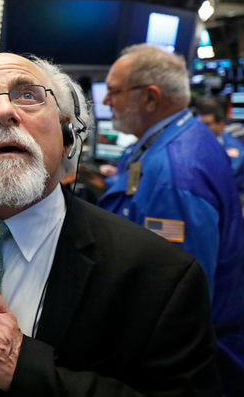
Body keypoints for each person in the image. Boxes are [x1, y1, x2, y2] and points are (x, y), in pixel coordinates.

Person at [0, 52, 220, 395]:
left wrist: (23, 366)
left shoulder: (159, 275)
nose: (3, 112)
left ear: (68, 134)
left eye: (28, 95)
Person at [97, 44, 244, 394]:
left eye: (114, 92)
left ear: (150, 98)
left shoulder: (176, 173)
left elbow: (179, 298)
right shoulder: (175, 138)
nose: (106, 102)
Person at [195, 98, 244, 198]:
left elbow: (226, 176)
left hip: (230, 198)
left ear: (220, 124)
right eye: (200, 124)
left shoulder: (232, 146)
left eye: (207, 124)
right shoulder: (196, 141)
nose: (202, 128)